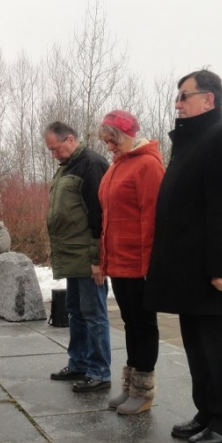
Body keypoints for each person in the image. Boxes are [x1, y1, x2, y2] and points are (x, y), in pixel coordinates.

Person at [144, 69, 222, 443]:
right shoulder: (190, 141)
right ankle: (207, 413)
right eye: (177, 97)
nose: (177, 103)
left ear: (209, 99)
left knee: (218, 347)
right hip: (187, 268)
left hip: (211, 269)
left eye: (184, 96)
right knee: (196, 345)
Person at [97, 110, 165, 415]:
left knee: (143, 324)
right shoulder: (117, 165)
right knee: (130, 323)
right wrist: (103, 257)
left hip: (138, 262)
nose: (109, 147)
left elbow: (153, 218)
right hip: (119, 261)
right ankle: (131, 385)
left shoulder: (147, 164)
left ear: (128, 135)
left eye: (113, 141)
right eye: (106, 142)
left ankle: (143, 390)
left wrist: (151, 266)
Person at [44, 121, 112, 392]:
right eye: (50, 150)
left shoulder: (91, 164)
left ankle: (99, 372)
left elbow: (100, 214)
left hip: (86, 255)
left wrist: (97, 259)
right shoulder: (66, 167)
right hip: (71, 255)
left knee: (94, 315)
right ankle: (79, 363)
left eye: (55, 148)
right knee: (75, 312)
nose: (53, 154)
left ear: (70, 139)